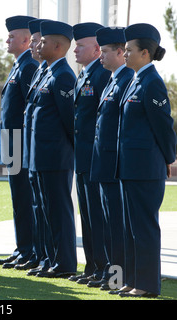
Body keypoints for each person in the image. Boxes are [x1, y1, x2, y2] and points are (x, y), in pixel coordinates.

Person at [113, 23, 176, 298]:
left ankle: (148, 285)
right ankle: (131, 279)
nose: (124, 54)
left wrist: (170, 159)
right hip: (130, 166)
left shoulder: (152, 83)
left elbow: (163, 125)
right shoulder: (136, 79)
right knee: (130, 228)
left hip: (146, 168)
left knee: (144, 227)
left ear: (145, 54)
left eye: (129, 50)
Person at [27, 20, 77, 278]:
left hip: (56, 157)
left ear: (58, 46)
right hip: (40, 156)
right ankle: (49, 259)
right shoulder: (47, 72)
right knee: (44, 211)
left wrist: (67, 152)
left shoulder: (64, 76)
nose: (38, 44)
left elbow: (70, 121)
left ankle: (65, 263)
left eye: (44, 41)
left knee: (58, 212)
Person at [88, 27, 134, 289]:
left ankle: (119, 277)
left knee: (117, 225)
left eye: (105, 51)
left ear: (120, 52)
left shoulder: (127, 78)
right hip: (102, 163)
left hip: (115, 164)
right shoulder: (112, 78)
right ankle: (110, 273)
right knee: (107, 224)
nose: (101, 56)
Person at [70, 22, 111, 284]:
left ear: (97, 49)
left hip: (95, 157)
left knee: (99, 217)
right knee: (87, 216)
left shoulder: (102, 74)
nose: (75, 50)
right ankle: (93, 268)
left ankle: (105, 270)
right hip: (83, 156)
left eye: (80, 45)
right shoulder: (85, 74)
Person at [0, 15, 39, 269]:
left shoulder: (29, 66)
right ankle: (22, 248)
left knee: (25, 199)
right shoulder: (18, 65)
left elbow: (28, 110)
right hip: (12, 145)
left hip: (21, 146)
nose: (7, 40)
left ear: (26, 40)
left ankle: (30, 250)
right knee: (18, 200)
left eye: (12, 36)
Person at [22, 18, 50, 274]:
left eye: (37, 41)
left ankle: (54, 260)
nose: (34, 45)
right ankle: (34, 253)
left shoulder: (56, 74)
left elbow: (66, 119)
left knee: (53, 210)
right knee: (32, 205)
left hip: (50, 153)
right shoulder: (39, 70)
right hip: (28, 147)